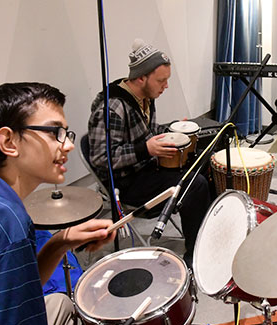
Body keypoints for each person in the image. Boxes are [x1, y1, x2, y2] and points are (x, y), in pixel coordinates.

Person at [0, 82, 167, 325]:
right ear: (8, 141)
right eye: (54, 132)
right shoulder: (8, 227)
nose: (68, 145)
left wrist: (60, 243)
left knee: (60, 303)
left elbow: (17, 287)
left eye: (66, 133)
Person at [88, 39, 211, 266]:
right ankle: (195, 254)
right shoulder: (112, 108)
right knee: (196, 184)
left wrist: (171, 129)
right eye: (161, 80)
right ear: (141, 77)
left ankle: (205, 236)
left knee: (204, 163)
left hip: (146, 169)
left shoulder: (145, 97)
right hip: (127, 184)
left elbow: (147, 133)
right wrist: (145, 149)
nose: (166, 86)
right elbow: (101, 158)